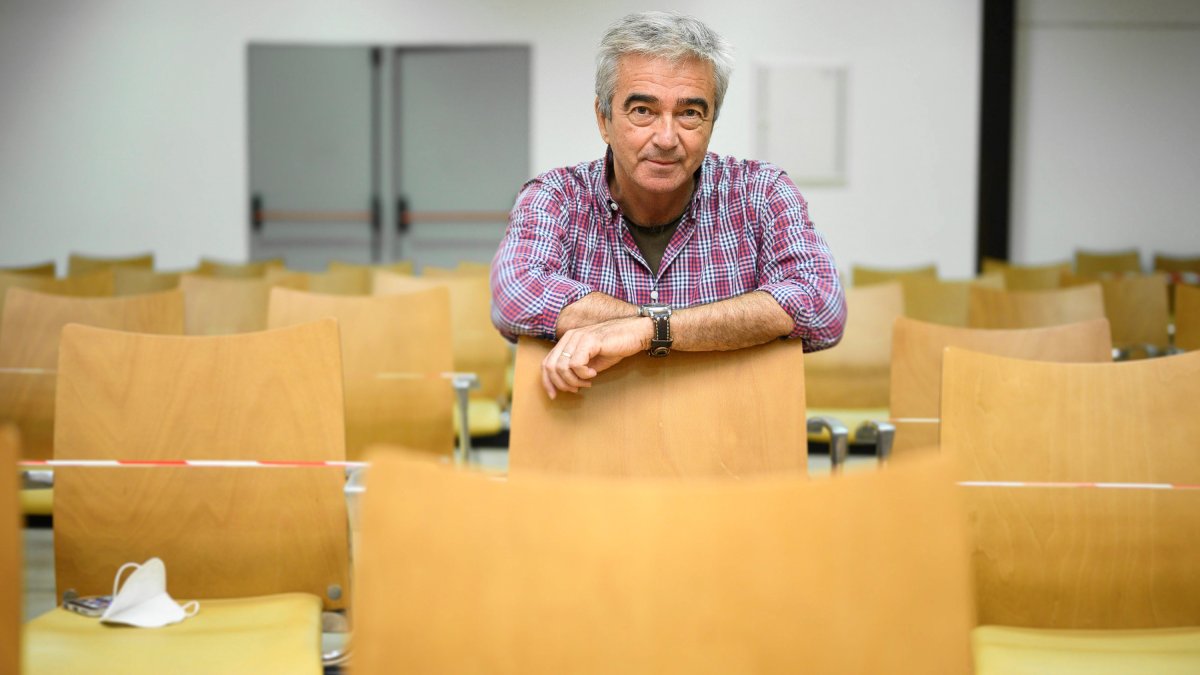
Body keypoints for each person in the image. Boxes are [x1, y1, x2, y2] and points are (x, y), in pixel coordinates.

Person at [491, 11, 846, 399]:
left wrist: (649, 330)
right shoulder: (556, 196)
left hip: (731, 442)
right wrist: (684, 326)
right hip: (592, 443)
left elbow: (820, 304)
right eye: (643, 110)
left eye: (689, 113)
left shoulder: (761, 192)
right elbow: (516, 294)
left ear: (711, 121)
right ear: (604, 119)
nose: (666, 137)